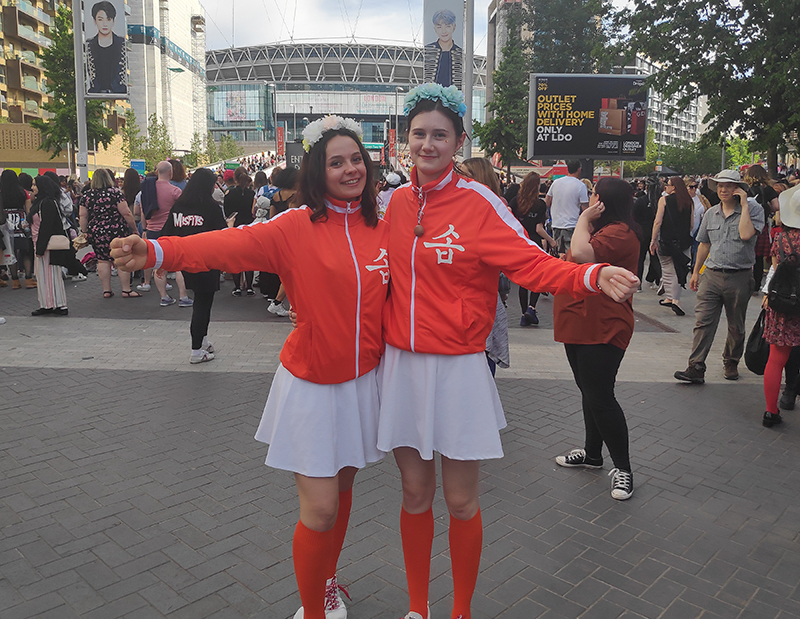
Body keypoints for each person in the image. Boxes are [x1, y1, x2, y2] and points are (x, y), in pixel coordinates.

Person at [111, 115, 389, 619]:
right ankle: (312, 610)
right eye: (336, 162)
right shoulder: (293, 226)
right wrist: (156, 249)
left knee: (344, 492)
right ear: (316, 171)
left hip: (362, 383)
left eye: (356, 160)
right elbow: (224, 246)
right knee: (320, 508)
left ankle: (327, 584)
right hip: (310, 385)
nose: (351, 169)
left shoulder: (383, 228)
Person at [381, 83, 639, 619]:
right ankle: (417, 608)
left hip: (458, 369)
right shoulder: (390, 204)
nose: (428, 145)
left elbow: (531, 264)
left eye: (440, 135)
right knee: (413, 495)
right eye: (419, 134)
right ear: (405, 139)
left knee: (460, 501)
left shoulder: (480, 203)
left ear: (458, 140)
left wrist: (589, 274)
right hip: (401, 365)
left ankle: (461, 611)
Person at [553, 177, 641, 500]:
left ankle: (624, 469)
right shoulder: (605, 230)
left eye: (593, 195)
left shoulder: (620, 233)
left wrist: (581, 219)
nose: (589, 199)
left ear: (604, 200)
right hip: (581, 322)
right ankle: (592, 454)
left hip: (603, 326)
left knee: (601, 396)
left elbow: (579, 254)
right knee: (589, 391)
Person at [674, 170, 765, 384]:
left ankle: (731, 360)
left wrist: (743, 205)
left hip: (740, 276)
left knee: (736, 324)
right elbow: (705, 244)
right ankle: (696, 366)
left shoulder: (753, 210)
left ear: (739, 189)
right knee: (703, 321)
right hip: (712, 275)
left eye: (728, 185)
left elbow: (745, 234)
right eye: (719, 186)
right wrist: (696, 271)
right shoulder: (711, 213)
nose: (723, 189)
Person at [159, 168, 228, 364]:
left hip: (186, 261)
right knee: (202, 305)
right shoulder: (210, 207)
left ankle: (203, 340)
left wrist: (163, 261)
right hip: (207, 260)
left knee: (200, 302)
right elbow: (223, 234)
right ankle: (196, 350)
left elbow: (167, 234)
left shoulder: (179, 206)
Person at [761, 184, 800, 428]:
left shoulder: (781, 237)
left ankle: (770, 411)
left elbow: (775, 269)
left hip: (784, 303)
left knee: (776, 358)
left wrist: (767, 294)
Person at [78, 168, 139, 298]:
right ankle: (126, 290)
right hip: (116, 230)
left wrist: (84, 231)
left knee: (102, 260)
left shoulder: (87, 195)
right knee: (121, 259)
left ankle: (107, 290)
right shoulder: (115, 193)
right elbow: (126, 213)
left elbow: (82, 215)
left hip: (97, 231)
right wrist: (134, 228)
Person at [138, 161, 192, 307]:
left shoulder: (147, 191)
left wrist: (144, 228)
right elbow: (184, 211)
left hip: (153, 230)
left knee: (159, 264)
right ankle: (183, 296)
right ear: (170, 172)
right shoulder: (175, 191)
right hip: (171, 230)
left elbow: (143, 212)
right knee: (180, 263)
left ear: (157, 171)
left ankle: (164, 297)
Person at [509, 172, 557, 325]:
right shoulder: (540, 204)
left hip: (519, 244)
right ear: (536, 186)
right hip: (534, 243)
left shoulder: (516, 201)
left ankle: (523, 314)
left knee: (523, 281)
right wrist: (551, 241)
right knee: (537, 276)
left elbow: (508, 217)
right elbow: (539, 228)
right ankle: (532, 307)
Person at [650, 176, 693, 316]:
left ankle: (673, 299)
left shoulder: (664, 200)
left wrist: (653, 240)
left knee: (668, 269)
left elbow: (658, 222)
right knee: (680, 269)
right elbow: (692, 223)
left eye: (668, 185)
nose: (666, 188)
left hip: (667, 240)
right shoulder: (689, 201)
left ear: (673, 187)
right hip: (684, 241)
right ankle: (672, 298)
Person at [28, 176, 71, 316]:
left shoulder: (47, 203)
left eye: (35, 185)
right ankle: (47, 303)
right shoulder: (41, 202)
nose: (32, 188)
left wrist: (40, 247)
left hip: (46, 245)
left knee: (51, 274)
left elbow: (47, 226)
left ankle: (58, 304)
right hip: (40, 244)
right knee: (43, 275)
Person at [745, 165, 780, 290]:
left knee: (746, 252)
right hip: (762, 225)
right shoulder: (768, 189)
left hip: (746, 223)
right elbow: (776, 206)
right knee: (758, 257)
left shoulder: (745, 189)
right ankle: (756, 286)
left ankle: (744, 282)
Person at [545, 160, 590, 255]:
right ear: (579, 170)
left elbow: (547, 201)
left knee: (557, 254)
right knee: (570, 254)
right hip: (572, 225)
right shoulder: (581, 186)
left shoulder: (556, 183)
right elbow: (585, 208)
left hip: (556, 224)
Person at [223, 167, 256, 296]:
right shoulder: (251, 194)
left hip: (235, 227)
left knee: (235, 257)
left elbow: (227, 213)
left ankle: (237, 286)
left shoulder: (229, 194)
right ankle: (249, 286)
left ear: (234, 178)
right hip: (249, 227)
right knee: (249, 258)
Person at [1, 170, 35, 289]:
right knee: (25, 251)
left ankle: (15, 280)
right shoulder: (23, 192)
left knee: (11, 252)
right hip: (20, 222)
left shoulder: (1, 192)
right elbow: (28, 210)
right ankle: (29, 278)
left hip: (5, 224)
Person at [86, 0, 127, 94]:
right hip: (95, 92)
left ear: (113, 21)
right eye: (100, 19)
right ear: (94, 21)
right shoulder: (89, 45)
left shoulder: (121, 44)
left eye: (108, 19)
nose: (105, 24)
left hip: (118, 91)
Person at [423, 9, 462, 88]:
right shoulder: (427, 50)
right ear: (435, 29)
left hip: (453, 99)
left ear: (454, 27)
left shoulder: (460, 52)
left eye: (448, 26)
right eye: (439, 27)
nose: (444, 31)